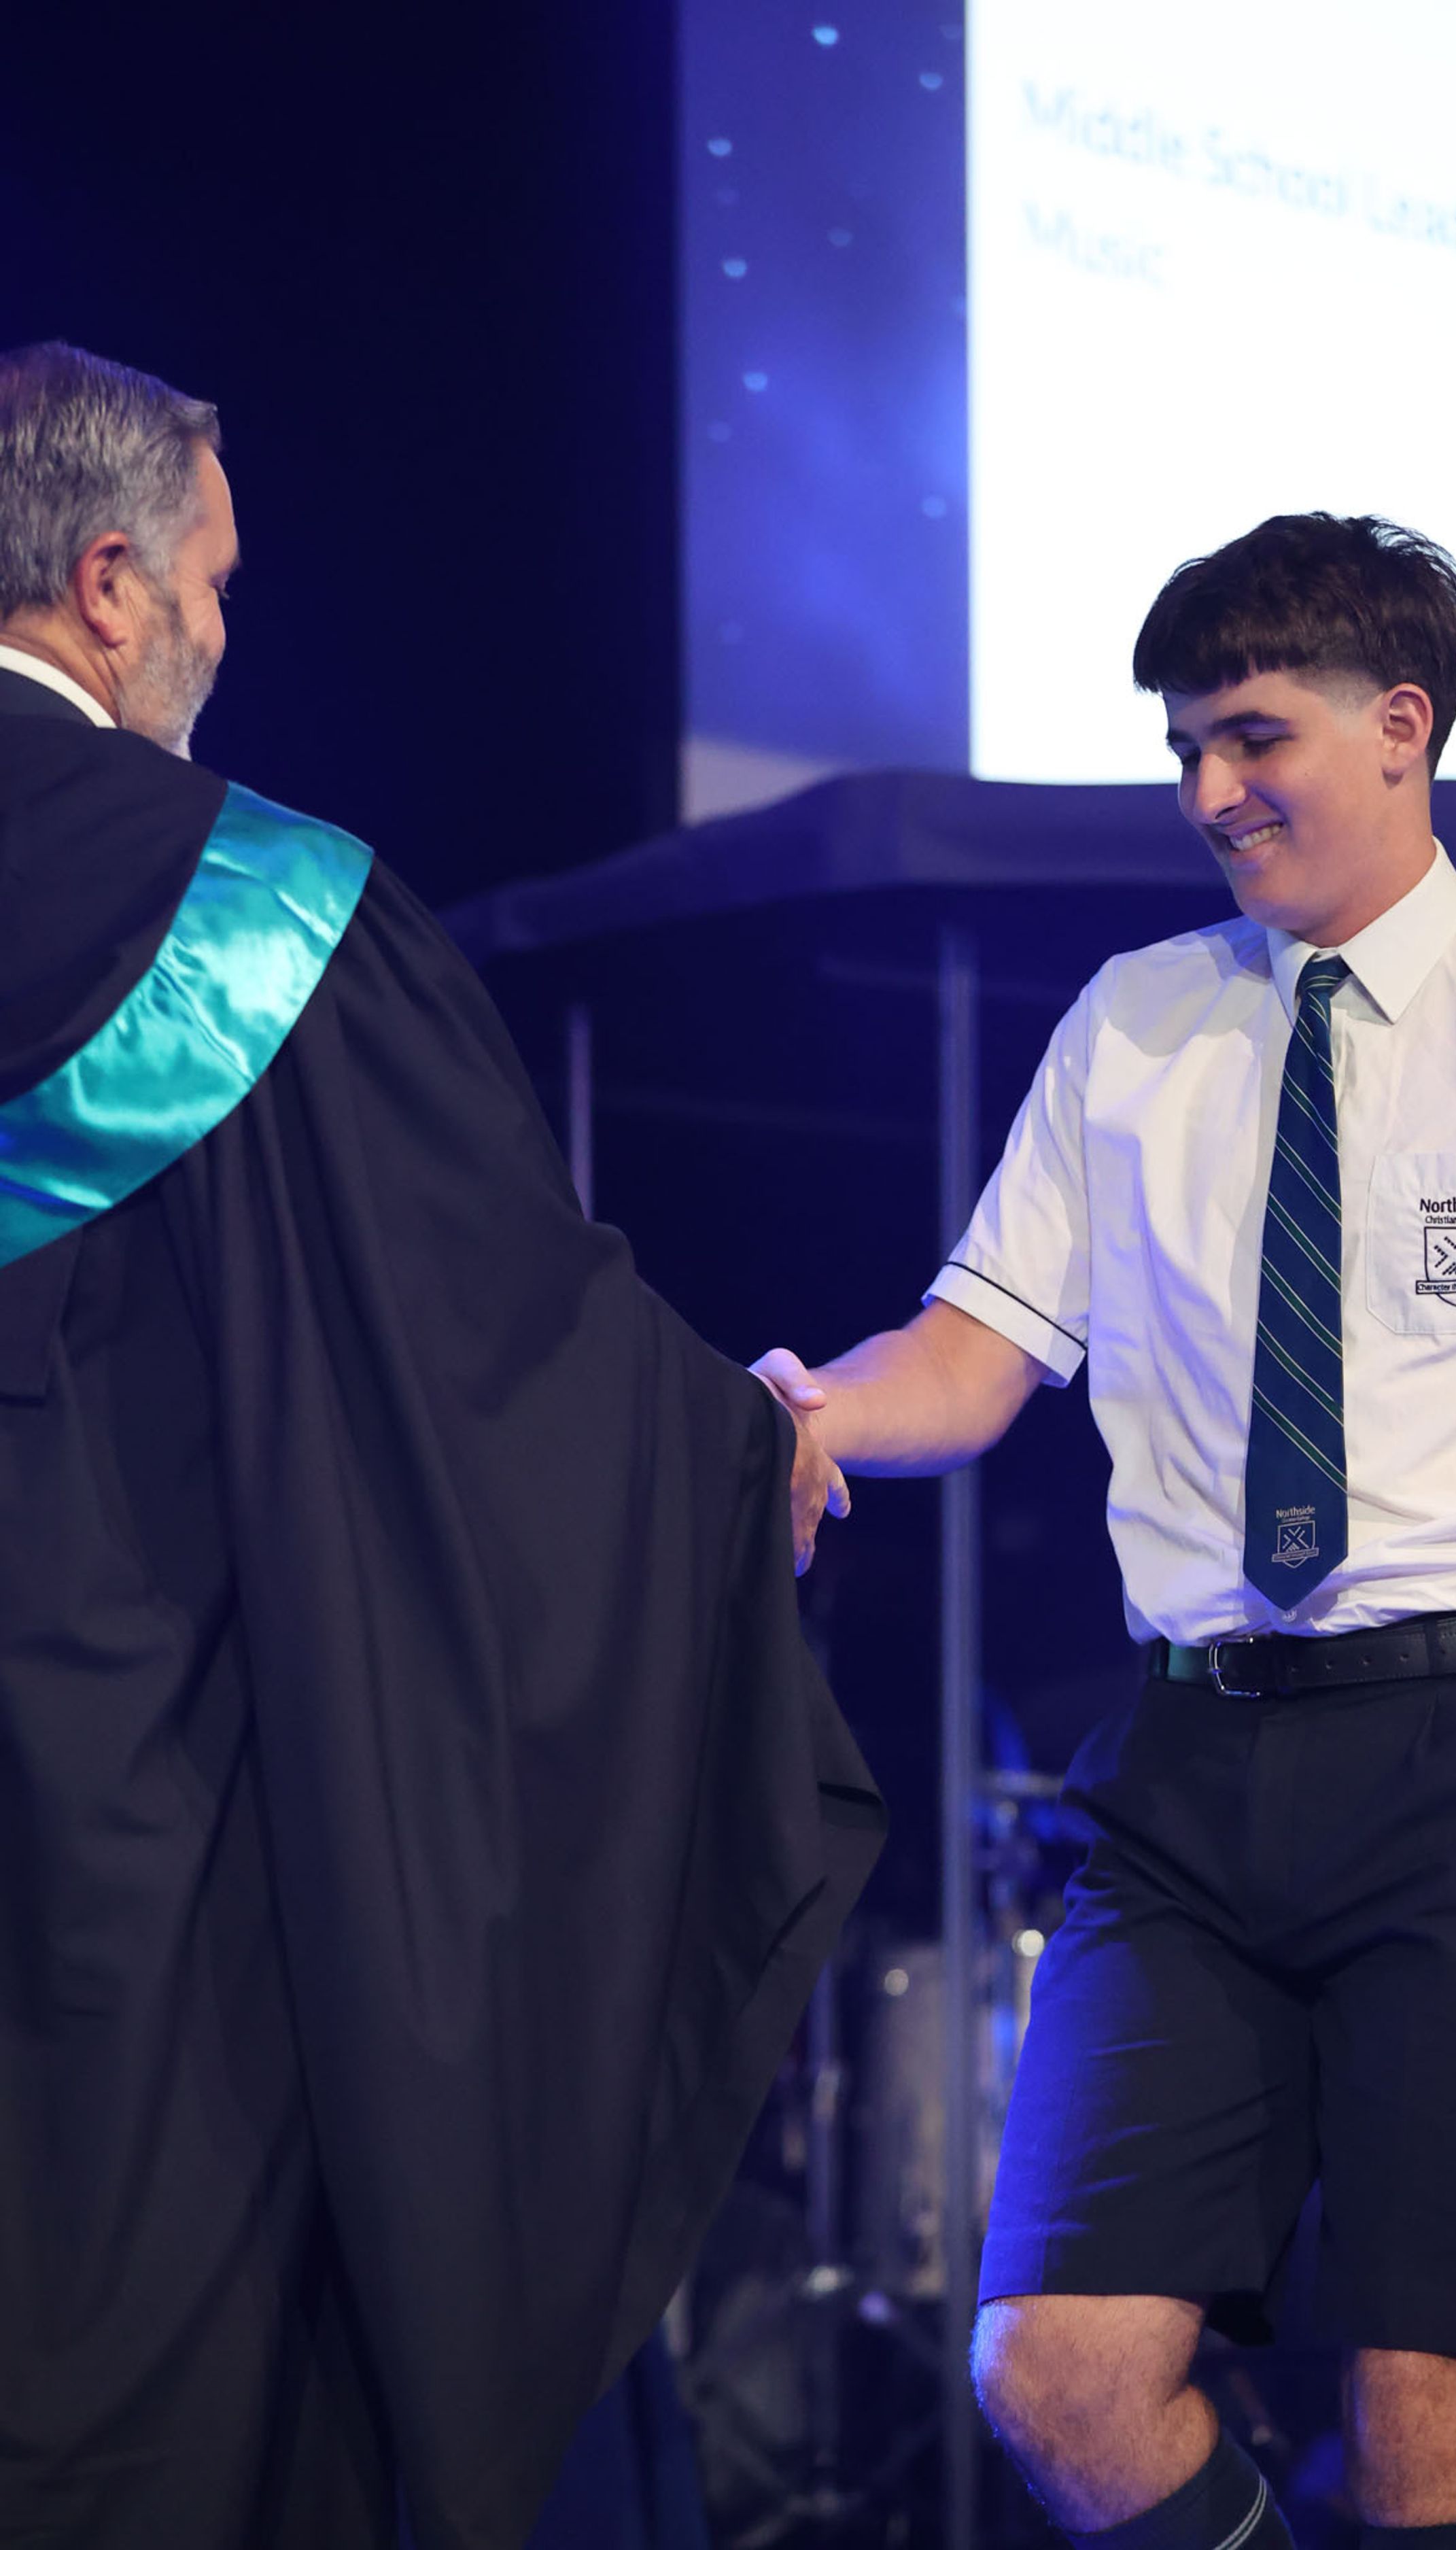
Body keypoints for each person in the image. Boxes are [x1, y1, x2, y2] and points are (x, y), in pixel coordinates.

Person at [0, 339, 880, 2550]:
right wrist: (729, 1455)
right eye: (211, 583)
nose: (223, 630)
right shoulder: (241, 909)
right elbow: (488, 1330)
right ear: (106, 587)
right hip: (144, 1806)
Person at [757, 512, 1456, 2550]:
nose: (1208, 792)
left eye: (1252, 737)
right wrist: (802, 1418)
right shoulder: (1132, 1022)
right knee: (1056, 2372)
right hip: (1195, 1766)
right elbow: (972, 1356)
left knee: (1434, 2413)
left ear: (1401, 726)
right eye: (1184, 747)